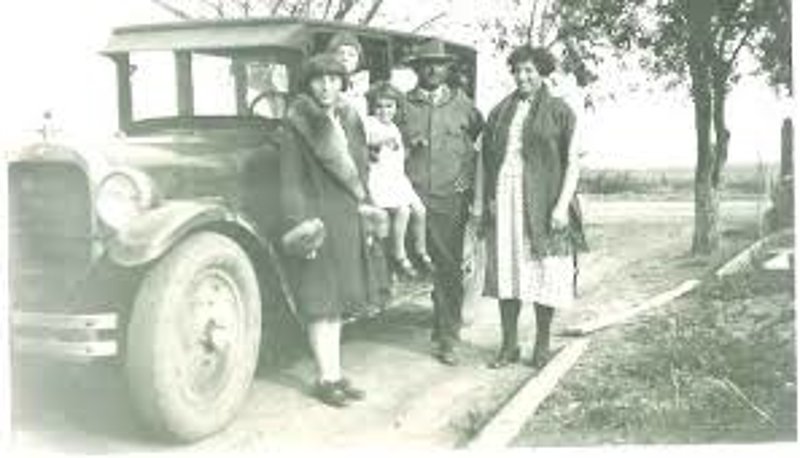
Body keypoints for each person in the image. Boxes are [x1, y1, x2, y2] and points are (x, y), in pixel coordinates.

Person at [279, 53, 389, 407]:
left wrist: (367, 207)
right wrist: (302, 227)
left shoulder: (349, 117)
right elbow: (290, 182)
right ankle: (325, 379)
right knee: (320, 303)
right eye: (319, 80)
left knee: (337, 302)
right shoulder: (297, 124)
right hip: (318, 221)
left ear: (342, 83)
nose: (326, 86)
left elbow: (360, 170)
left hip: (347, 217)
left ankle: (335, 374)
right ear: (308, 84)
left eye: (333, 79)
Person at [481, 45, 588, 370]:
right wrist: (487, 200)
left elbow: (572, 163)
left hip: (545, 200)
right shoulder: (500, 112)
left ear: (542, 72)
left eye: (529, 70)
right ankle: (509, 345)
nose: (522, 77)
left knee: (545, 271)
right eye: (517, 70)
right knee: (508, 270)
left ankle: (541, 345)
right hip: (506, 196)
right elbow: (486, 160)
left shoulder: (560, 111)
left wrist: (561, 206)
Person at [398, 39, 484, 365]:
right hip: (413, 199)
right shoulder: (402, 106)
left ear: (448, 69)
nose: (433, 70)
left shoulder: (463, 105)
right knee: (421, 264)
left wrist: (469, 176)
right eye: (426, 65)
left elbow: (482, 144)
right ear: (417, 69)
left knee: (449, 267)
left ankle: (448, 337)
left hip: (450, 198)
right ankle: (439, 323)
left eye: (439, 64)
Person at [364, 82, 432, 277]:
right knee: (403, 211)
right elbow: (366, 141)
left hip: (397, 179)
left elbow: (397, 156)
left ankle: (421, 250)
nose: (384, 111)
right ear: (372, 107)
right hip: (380, 179)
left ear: (396, 107)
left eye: (389, 106)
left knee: (420, 210)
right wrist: (380, 142)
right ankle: (399, 254)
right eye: (379, 106)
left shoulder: (394, 127)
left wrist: (413, 145)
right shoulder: (370, 123)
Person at [326, 31, 370, 119]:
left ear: (358, 60)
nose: (345, 58)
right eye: (340, 53)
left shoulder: (364, 87)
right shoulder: (325, 83)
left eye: (351, 55)